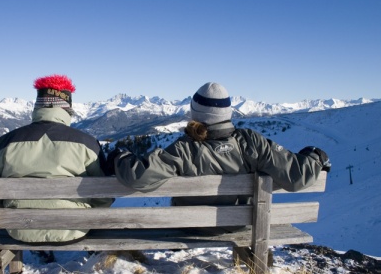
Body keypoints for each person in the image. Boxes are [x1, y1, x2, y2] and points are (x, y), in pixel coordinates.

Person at [107, 82, 330, 212]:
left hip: (191, 228)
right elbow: (297, 175)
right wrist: (315, 157)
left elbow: (139, 176)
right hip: (240, 226)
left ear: (195, 113)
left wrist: (120, 156)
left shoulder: (185, 149)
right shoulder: (251, 142)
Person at [0, 74, 112, 243]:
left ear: (37, 106)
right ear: (67, 109)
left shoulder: (7, 141)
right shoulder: (87, 143)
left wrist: (4, 216)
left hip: (19, 229)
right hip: (74, 228)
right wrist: (91, 214)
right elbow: (103, 191)